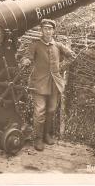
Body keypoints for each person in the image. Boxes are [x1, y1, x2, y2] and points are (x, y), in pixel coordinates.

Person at [21, 19, 75, 151]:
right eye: (45, 28)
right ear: (42, 30)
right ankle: (38, 139)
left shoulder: (58, 45)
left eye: (50, 29)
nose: (48, 31)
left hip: (54, 83)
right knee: (40, 112)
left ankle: (47, 135)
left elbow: (72, 56)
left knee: (51, 110)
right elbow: (25, 57)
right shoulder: (35, 45)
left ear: (53, 31)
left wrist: (60, 68)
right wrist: (26, 61)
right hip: (39, 83)